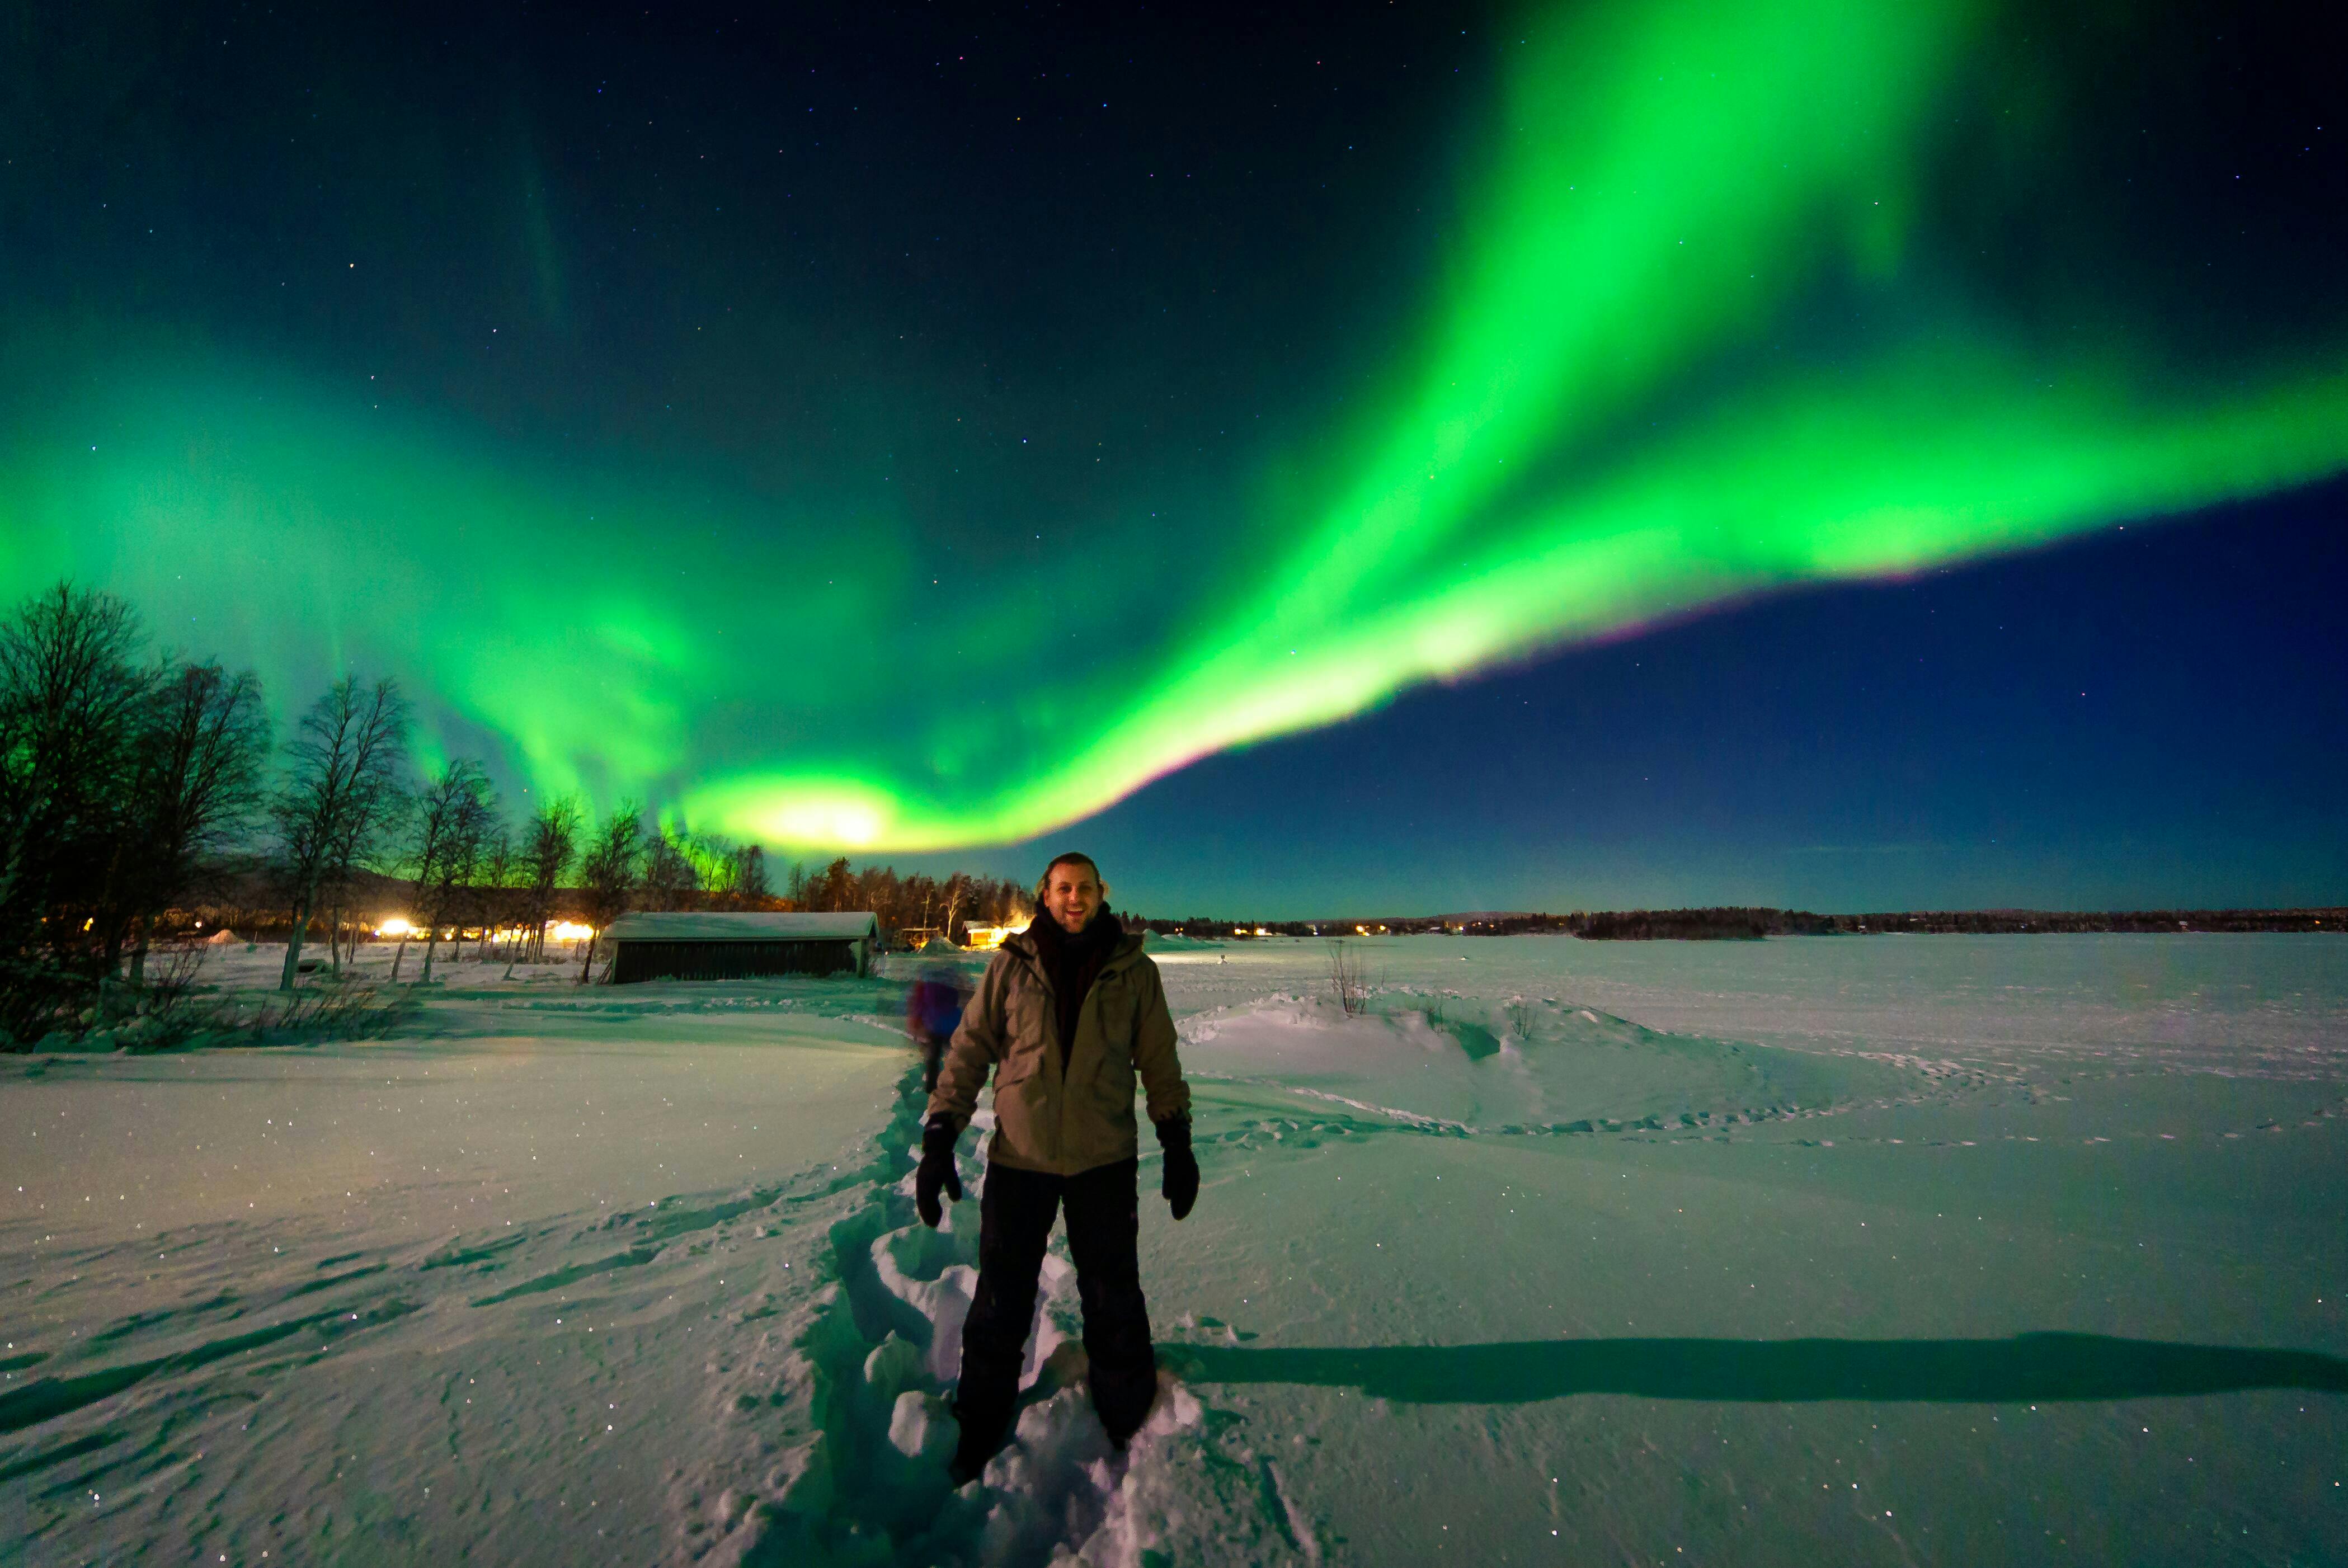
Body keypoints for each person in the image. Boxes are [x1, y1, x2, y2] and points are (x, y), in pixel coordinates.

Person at [915, 851, 1199, 1480]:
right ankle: (982, 1416)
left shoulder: (1134, 971)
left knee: (1113, 1292)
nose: (1075, 898)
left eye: (1086, 888)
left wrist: (1176, 1138)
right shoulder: (1011, 966)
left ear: (1103, 894)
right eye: (1063, 888)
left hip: (1104, 1161)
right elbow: (968, 1050)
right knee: (1002, 1295)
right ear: (1045, 895)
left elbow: (1160, 1059)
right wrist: (941, 1133)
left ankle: (1126, 1411)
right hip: (1023, 1158)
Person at [904, 959, 972, 1094]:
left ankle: (932, 1087)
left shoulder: (926, 986)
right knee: (952, 1055)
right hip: (952, 1024)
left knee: (934, 1057)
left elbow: (919, 1005)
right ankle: (954, 1085)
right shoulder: (952, 983)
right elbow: (960, 1000)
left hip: (934, 1024)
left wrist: (917, 1023)